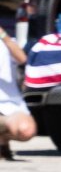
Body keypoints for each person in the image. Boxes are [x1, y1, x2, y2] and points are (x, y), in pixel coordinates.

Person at [0, 25, 37, 160]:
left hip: (8, 105)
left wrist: (3, 35)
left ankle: (2, 142)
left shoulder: (6, 43)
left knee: (25, 129)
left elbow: (22, 59)